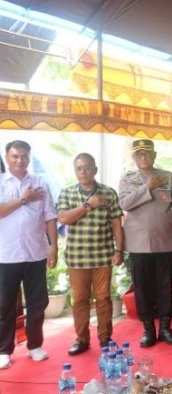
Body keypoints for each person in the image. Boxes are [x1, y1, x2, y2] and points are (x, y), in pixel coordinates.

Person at [118, 139, 172, 348]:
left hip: (165, 242)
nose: (143, 158)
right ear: (133, 158)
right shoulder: (127, 179)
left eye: (147, 154)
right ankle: (148, 330)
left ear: (154, 155)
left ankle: (166, 329)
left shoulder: (167, 177)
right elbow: (124, 203)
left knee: (165, 287)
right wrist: (147, 188)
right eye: (139, 154)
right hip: (138, 244)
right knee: (143, 288)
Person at [57, 153, 124, 356]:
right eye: (79, 168)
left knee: (103, 298)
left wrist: (119, 250)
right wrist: (88, 205)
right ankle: (82, 339)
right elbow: (64, 219)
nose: (83, 172)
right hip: (77, 258)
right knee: (80, 300)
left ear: (95, 170)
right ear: (75, 171)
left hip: (103, 255)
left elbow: (116, 225)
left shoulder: (109, 193)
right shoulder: (67, 193)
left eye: (87, 167)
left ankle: (105, 338)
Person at [0, 141, 58, 369]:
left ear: (29, 157)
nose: (19, 160)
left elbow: (50, 216)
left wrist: (53, 246)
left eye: (24, 156)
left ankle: (35, 345)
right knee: (4, 305)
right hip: (6, 255)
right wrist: (23, 199)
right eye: (15, 156)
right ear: (7, 156)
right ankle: (4, 350)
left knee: (37, 302)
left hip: (36, 253)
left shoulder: (40, 183)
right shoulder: (1, 183)